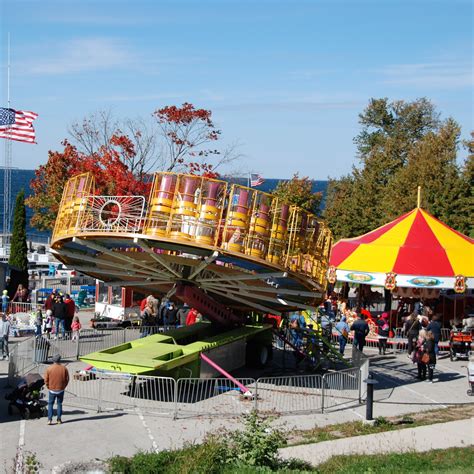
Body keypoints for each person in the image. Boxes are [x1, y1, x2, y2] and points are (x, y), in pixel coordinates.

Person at [44, 354, 69, 425]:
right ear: (59, 360)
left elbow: (46, 380)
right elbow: (67, 379)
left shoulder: (49, 369)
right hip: (61, 389)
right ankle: (59, 419)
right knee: (59, 404)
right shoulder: (64, 368)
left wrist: (48, 387)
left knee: (50, 404)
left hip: (52, 389)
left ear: (53, 360)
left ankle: (49, 419)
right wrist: (64, 386)